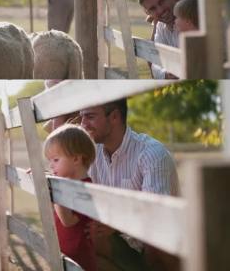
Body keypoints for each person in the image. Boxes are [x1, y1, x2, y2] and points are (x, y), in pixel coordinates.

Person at [80, 99, 179, 271]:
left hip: (160, 243)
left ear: (115, 117)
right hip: (125, 241)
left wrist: (116, 222)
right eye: (81, 117)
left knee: (155, 245)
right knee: (84, 242)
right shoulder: (92, 154)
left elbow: (156, 217)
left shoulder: (152, 154)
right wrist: (47, 175)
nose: (83, 124)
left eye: (90, 117)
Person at [44, 124, 97, 271]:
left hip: (79, 256)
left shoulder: (85, 187)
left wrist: (54, 189)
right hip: (63, 251)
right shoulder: (65, 184)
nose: (51, 165)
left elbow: (68, 221)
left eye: (55, 160)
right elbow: (52, 213)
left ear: (76, 159)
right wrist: (43, 186)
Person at [138, 0, 178, 78]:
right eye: (153, 9)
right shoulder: (160, 26)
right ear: (148, 13)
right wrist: (166, 74)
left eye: (162, 1)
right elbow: (154, 63)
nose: (160, 10)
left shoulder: (191, 22)